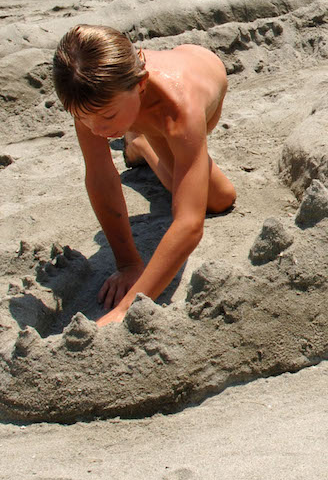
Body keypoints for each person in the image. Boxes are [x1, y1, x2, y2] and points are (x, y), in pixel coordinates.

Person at [52, 24, 236, 326]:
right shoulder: (91, 99)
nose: (96, 131)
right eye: (84, 119)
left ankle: (140, 144)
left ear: (139, 84)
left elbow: (189, 224)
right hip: (131, 98)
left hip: (192, 82)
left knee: (220, 199)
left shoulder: (179, 110)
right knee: (106, 118)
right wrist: (128, 264)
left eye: (106, 118)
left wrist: (127, 307)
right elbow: (100, 176)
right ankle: (136, 137)